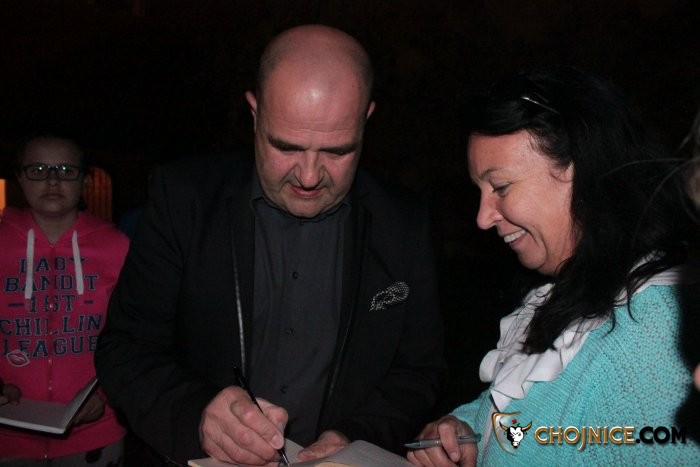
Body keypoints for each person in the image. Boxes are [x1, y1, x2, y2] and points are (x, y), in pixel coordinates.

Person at [95, 24, 445, 466]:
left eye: (337, 151)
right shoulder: (184, 199)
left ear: (366, 119)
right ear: (255, 113)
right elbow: (125, 349)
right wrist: (196, 415)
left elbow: (418, 371)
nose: (309, 176)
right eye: (287, 147)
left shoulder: (404, 222)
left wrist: (357, 437)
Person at [407, 66, 700, 466]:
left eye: (501, 187)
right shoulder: (569, 293)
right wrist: (460, 430)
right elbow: (523, 413)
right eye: (480, 191)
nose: (482, 217)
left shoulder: (652, 337)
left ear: (580, 171)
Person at [0, 136, 130, 465]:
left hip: (94, 435)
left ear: (85, 180)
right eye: (38, 169)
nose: (53, 180)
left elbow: (137, 334)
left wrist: (107, 393)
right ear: (20, 178)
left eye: (66, 170)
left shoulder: (117, 246)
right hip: (8, 436)